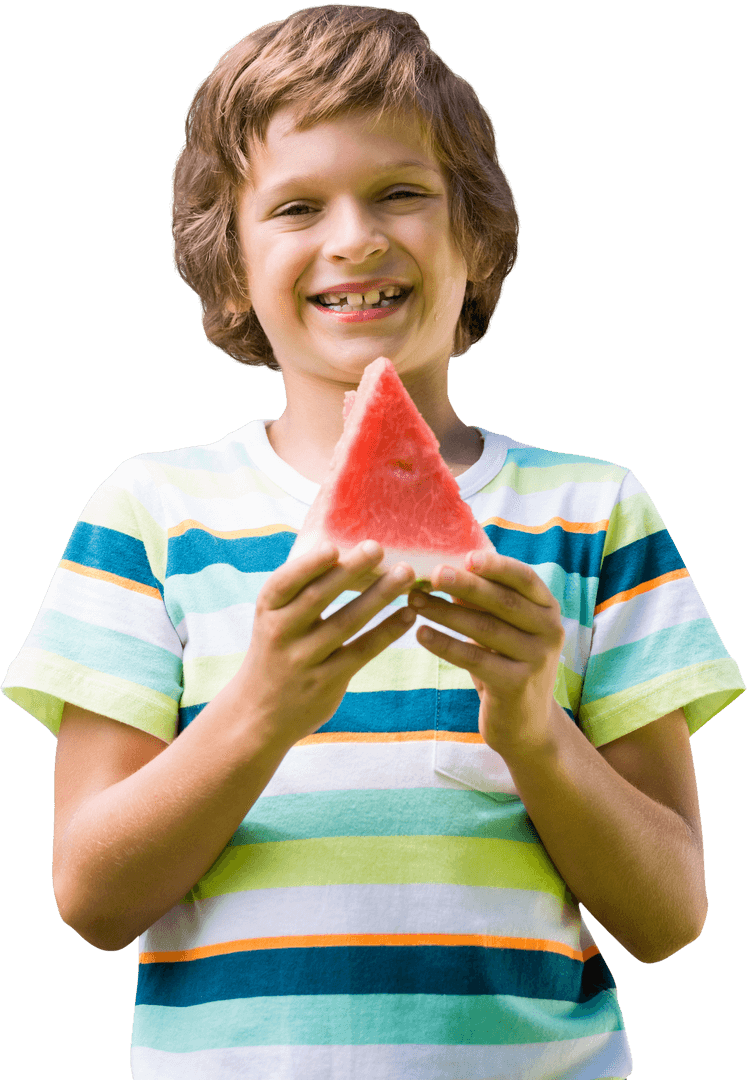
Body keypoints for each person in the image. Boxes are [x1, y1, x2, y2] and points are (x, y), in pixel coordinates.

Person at [3, 5, 744, 1079]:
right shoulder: (152, 512)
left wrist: (533, 731)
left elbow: (670, 916)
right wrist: (262, 708)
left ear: (476, 237)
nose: (354, 238)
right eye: (297, 206)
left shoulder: (595, 510)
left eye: (401, 192)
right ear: (231, 262)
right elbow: (92, 899)